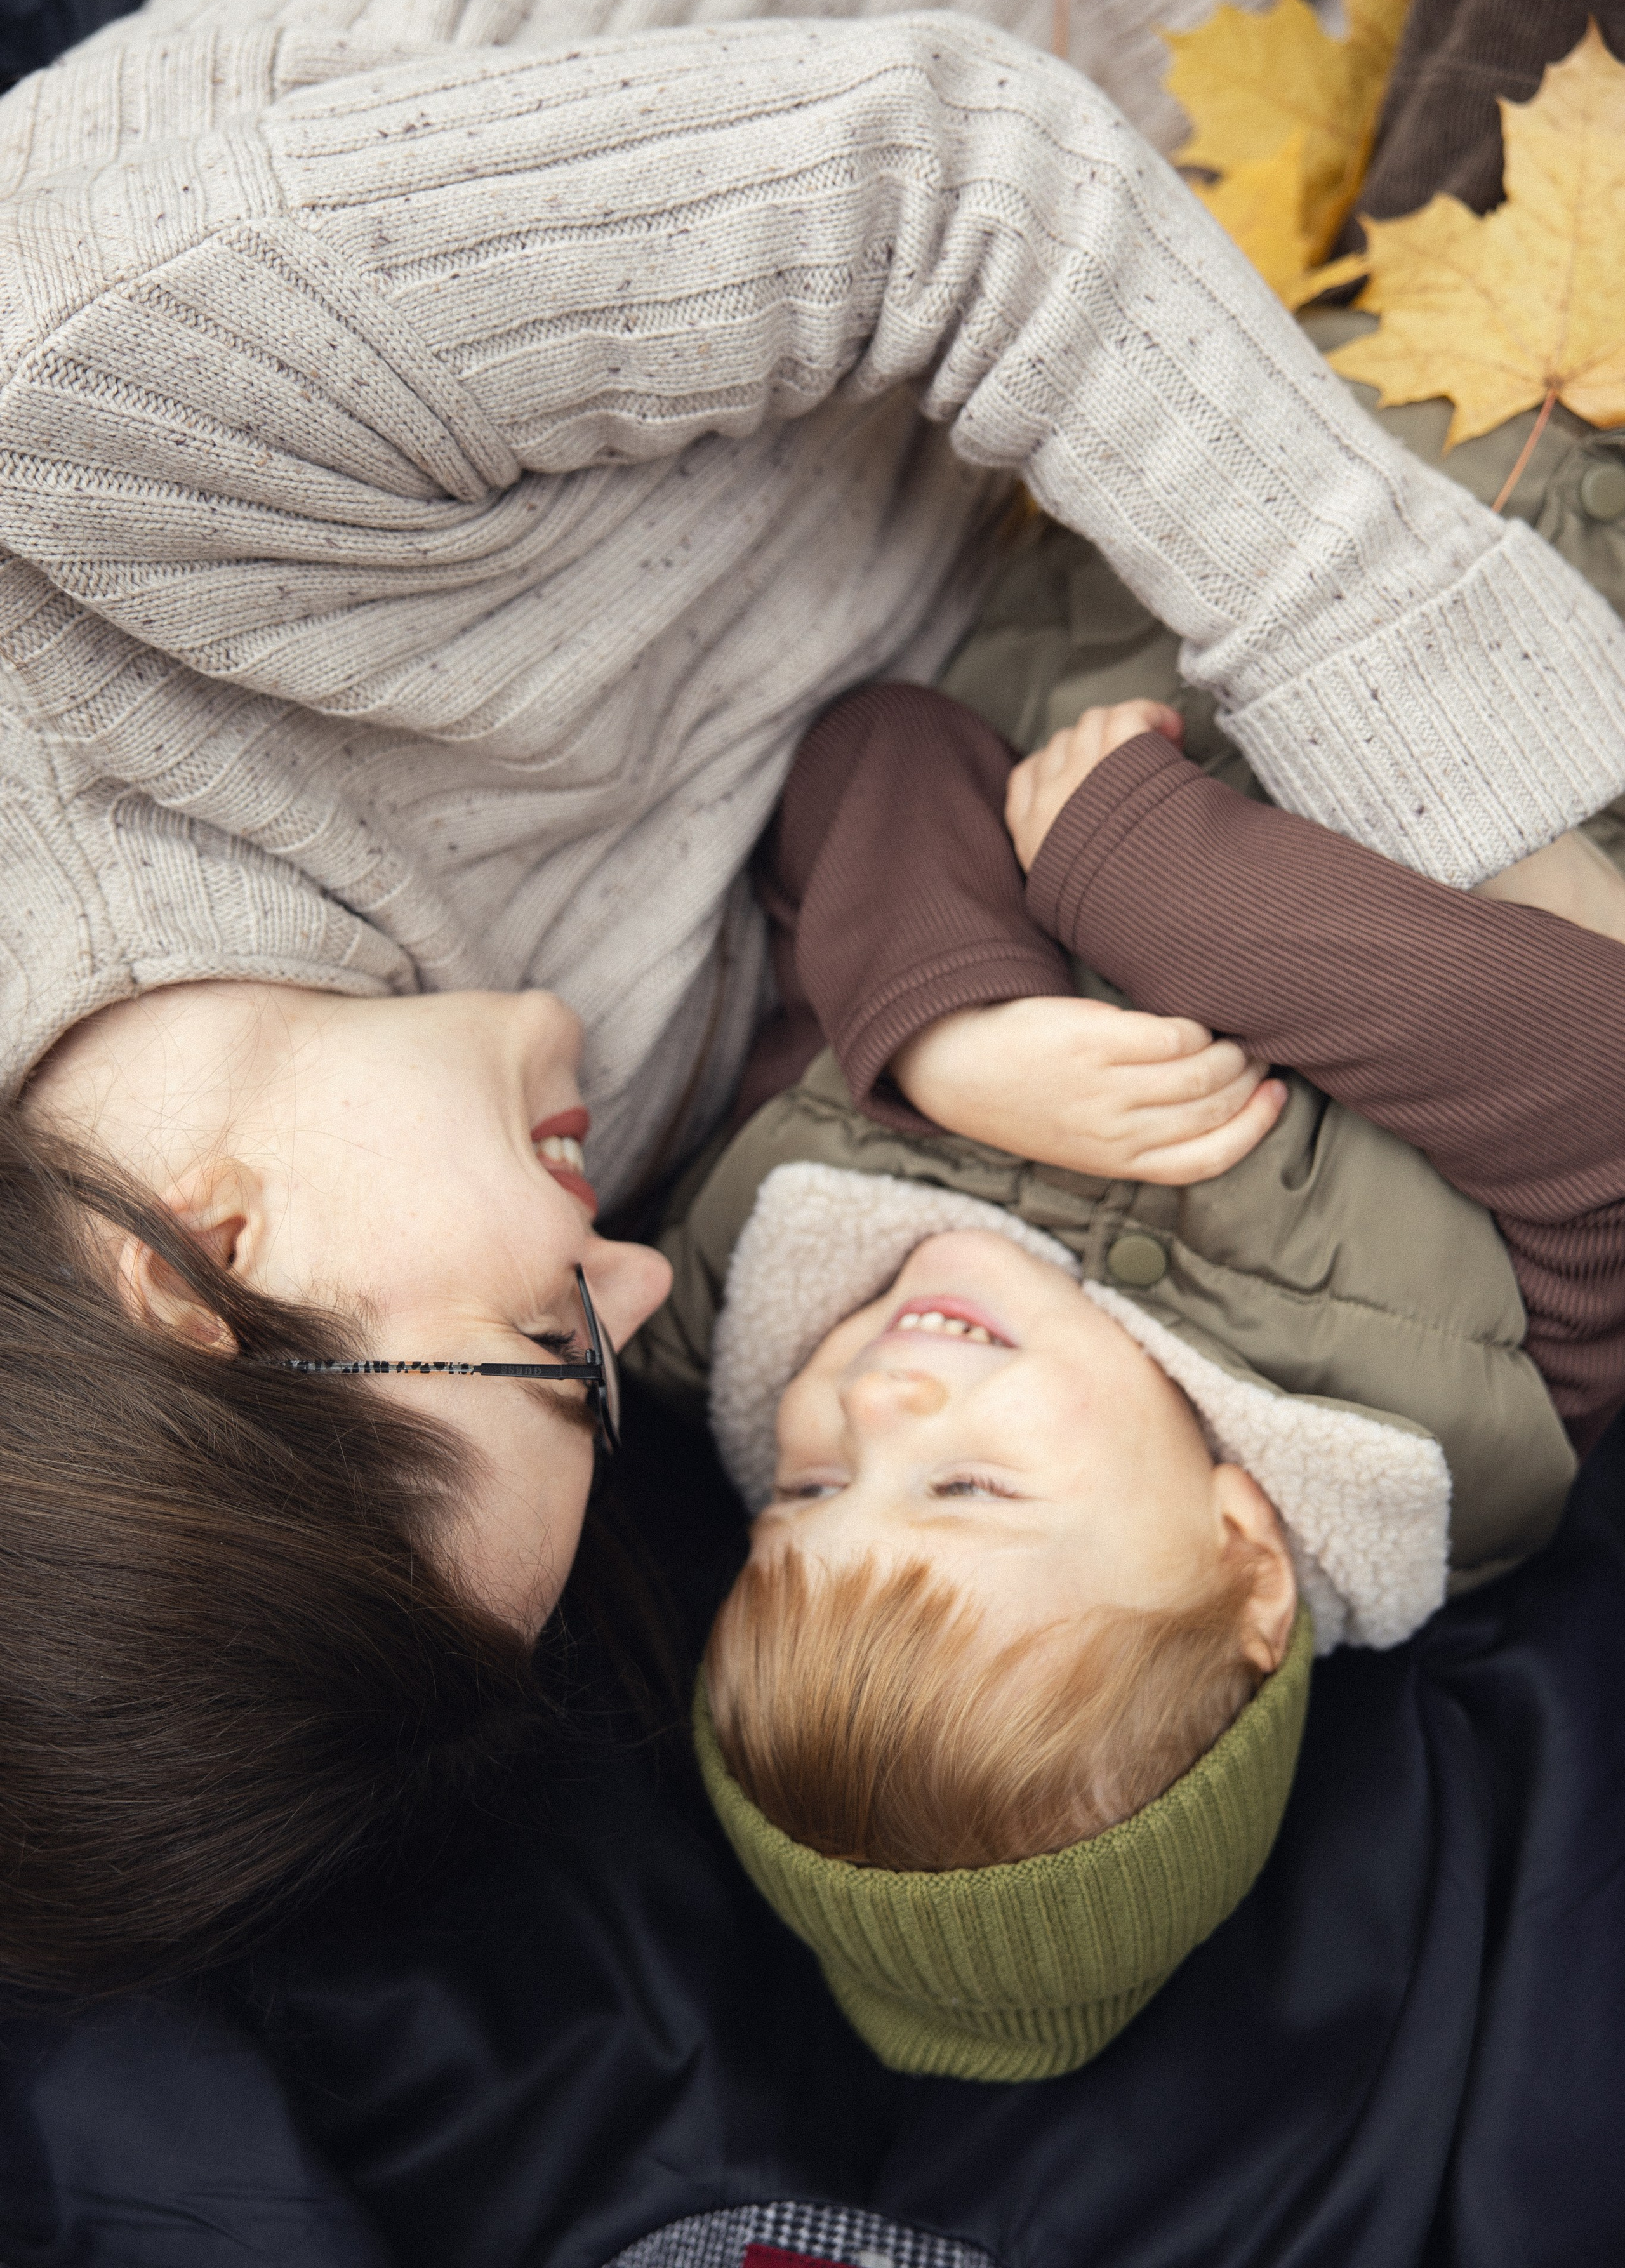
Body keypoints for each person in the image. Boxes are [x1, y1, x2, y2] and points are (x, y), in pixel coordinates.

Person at [5, 0, 1625, 2003]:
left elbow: (956, 184)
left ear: (191, 1275)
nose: (647, 1278)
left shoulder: (91, 401)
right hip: (1242, 279)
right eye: (622, 1376)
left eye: (547, 1355)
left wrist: (1509, 846)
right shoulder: (519, 1111)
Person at [626, 673, 1625, 2078]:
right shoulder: (1453, 1422)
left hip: (1138, 601)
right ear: (1241, 1559)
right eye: (962, 1486)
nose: (868, 1404)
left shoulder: (768, 1239)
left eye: (806, 1486)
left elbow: (880, 735)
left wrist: (943, 1035)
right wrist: (1145, 877)